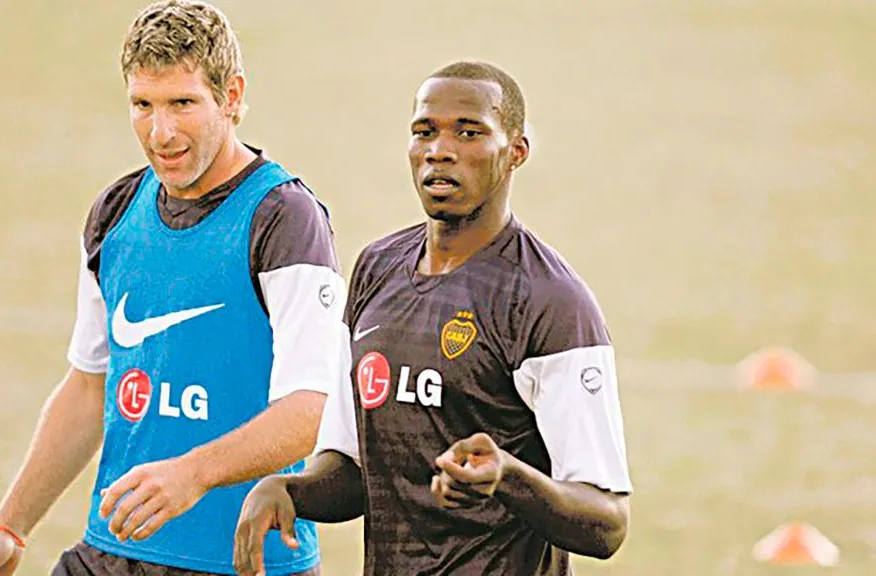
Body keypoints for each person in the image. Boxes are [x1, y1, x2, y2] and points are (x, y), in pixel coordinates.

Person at [0, 2, 345, 575]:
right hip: (111, 552)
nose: (160, 133)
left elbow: (311, 409)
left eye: (182, 103)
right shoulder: (115, 214)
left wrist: (193, 473)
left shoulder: (284, 219)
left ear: (232, 97)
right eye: (143, 105)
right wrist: (8, 526)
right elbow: (88, 389)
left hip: (241, 563)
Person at [233, 60, 633, 575]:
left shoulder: (549, 301)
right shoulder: (377, 269)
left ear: (516, 152)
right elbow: (353, 473)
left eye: (469, 133)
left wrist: (508, 476)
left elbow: (608, 523)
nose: (440, 149)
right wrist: (287, 489)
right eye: (425, 131)